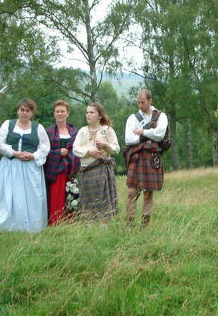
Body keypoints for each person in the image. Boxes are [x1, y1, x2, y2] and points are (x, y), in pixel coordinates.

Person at [0, 98, 50, 232]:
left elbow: (45, 147)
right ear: (18, 111)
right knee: (8, 194)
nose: (24, 113)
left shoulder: (38, 128)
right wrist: (14, 153)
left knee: (30, 196)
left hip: (30, 168)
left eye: (28, 110)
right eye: (22, 110)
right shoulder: (8, 124)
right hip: (10, 166)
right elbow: (0, 144)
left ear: (32, 113)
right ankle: (7, 222)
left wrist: (32, 155)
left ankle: (30, 225)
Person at [124, 89, 168, 227]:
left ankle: (144, 226)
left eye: (142, 102)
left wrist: (142, 132)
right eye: (138, 102)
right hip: (136, 157)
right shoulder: (133, 118)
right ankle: (130, 225)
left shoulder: (161, 116)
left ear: (150, 101)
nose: (140, 105)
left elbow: (160, 134)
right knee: (131, 191)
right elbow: (129, 138)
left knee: (148, 193)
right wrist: (149, 135)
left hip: (152, 156)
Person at [72, 102, 120, 222]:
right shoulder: (82, 131)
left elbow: (116, 148)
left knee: (104, 204)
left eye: (92, 112)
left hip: (102, 171)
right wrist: (89, 152)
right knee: (88, 204)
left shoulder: (107, 130)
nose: (88, 115)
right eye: (87, 112)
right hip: (86, 172)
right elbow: (75, 149)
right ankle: (90, 228)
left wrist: (106, 145)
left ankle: (104, 229)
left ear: (100, 115)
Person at [44, 100, 80, 225]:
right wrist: (58, 153)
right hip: (56, 170)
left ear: (67, 113)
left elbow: (77, 150)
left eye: (62, 111)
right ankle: (55, 222)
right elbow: (44, 152)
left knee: (71, 196)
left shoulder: (74, 131)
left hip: (71, 170)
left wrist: (69, 157)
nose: (60, 114)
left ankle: (70, 223)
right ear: (54, 114)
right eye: (57, 111)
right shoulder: (48, 132)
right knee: (56, 197)